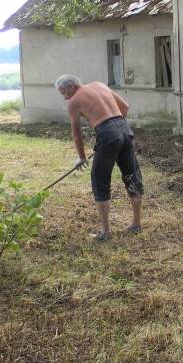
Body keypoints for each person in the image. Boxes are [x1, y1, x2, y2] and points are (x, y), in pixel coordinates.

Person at [55, 75, 144, 241]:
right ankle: (136, 224)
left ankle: (106, 232)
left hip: (108, 133)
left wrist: (82, 157)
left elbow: (76, 134)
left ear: (71, 86)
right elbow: (125, 107)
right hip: (125, 129)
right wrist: (117, 129)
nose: (65, 97)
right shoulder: (99, 85)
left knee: (99, 180)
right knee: (131, 176)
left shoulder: (74, 102)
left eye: (64, 92)